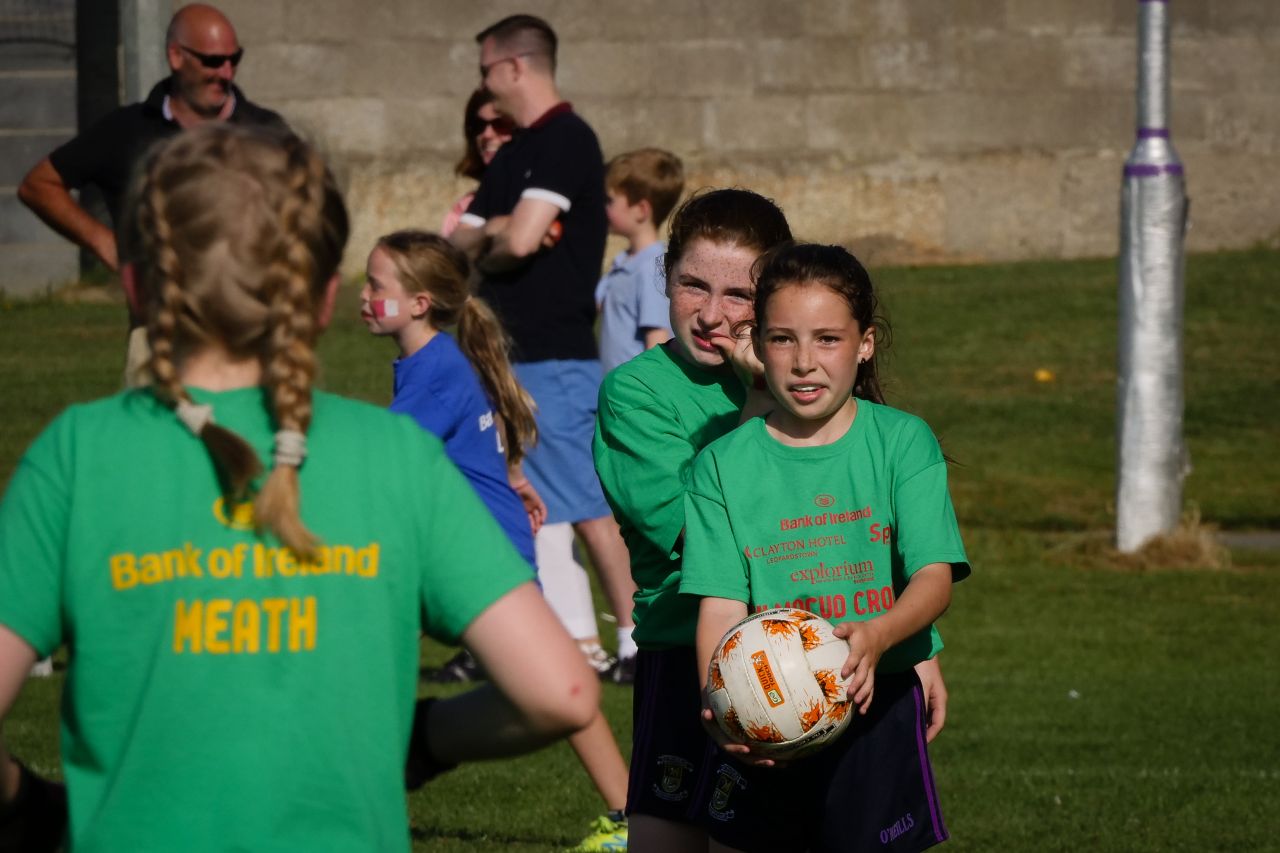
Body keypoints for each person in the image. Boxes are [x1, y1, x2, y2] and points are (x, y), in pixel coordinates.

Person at [0, 124, 598, 852]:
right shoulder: (394, 457)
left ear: (134, 282)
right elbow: (562, 690)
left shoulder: (76, 454)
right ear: (321, 300)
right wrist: (428, 737)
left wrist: (25, 804)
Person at [593, 190, 952, 852]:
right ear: (663, 277)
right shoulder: (635, 393)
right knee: (665, 840)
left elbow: (864, 531)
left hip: (828, 657)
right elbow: (710, 535)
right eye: (691, 285)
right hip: (691, 657)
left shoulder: (806, 373)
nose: (710, 313)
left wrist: (915, 649)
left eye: (737, 295)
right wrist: (757, 393)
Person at [680, 243, 971, 851]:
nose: (805, 362)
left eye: (828, 340)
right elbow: (721, 607)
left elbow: (933, 577)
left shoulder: (903, 442)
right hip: (770, 706)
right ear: (756, 344)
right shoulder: (719, 466)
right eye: (783, 339)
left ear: (865, 343)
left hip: (877, 699)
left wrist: (887, 638)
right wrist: (722, 703)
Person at [360, 231, 630, 853]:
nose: (365, 296)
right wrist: (511, 475)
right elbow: (464, 439)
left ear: (421, 302)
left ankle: (626, 815)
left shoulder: (434, 369)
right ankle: (387, 778)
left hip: (482, 553)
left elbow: (382, 458)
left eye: (378, 286)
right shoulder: (438, 361)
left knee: (554, 680)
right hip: (470, 543)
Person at [451, 14, 640, 682]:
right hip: (499, 359)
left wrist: (497, 238)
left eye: (484, 70)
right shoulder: (512, 158)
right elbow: (456, 248)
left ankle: (635, 643)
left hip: (557, 359)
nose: (482, 85)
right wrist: (498, 229)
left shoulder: (567, 140)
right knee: (513, 500)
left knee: (588, 506)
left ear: (514, 67)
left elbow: (519, 243)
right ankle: (527, 643)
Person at [17, 3, 288, 387]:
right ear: (176, 56)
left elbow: (304, 214)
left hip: (251, 334)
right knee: (153, 445)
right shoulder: (128, 130)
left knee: (248, 447)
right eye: (213, 61)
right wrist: (104, 242)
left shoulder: (266, 130)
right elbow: (38, 185)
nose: (225, 73)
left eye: (234, 60)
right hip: (158, 336)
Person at [595, 148, 684, 374]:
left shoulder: (651, 268)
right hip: (614, 390)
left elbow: (656, 339)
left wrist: (647, 395)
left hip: (635, 396)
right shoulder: (623, 262)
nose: (602, 207)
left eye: (610, 201)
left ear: (641, 210)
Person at [441, 89, 515, 238]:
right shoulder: (464, 209)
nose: (487, 134)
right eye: (478, 125)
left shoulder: (540, 194)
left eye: (500, 124)